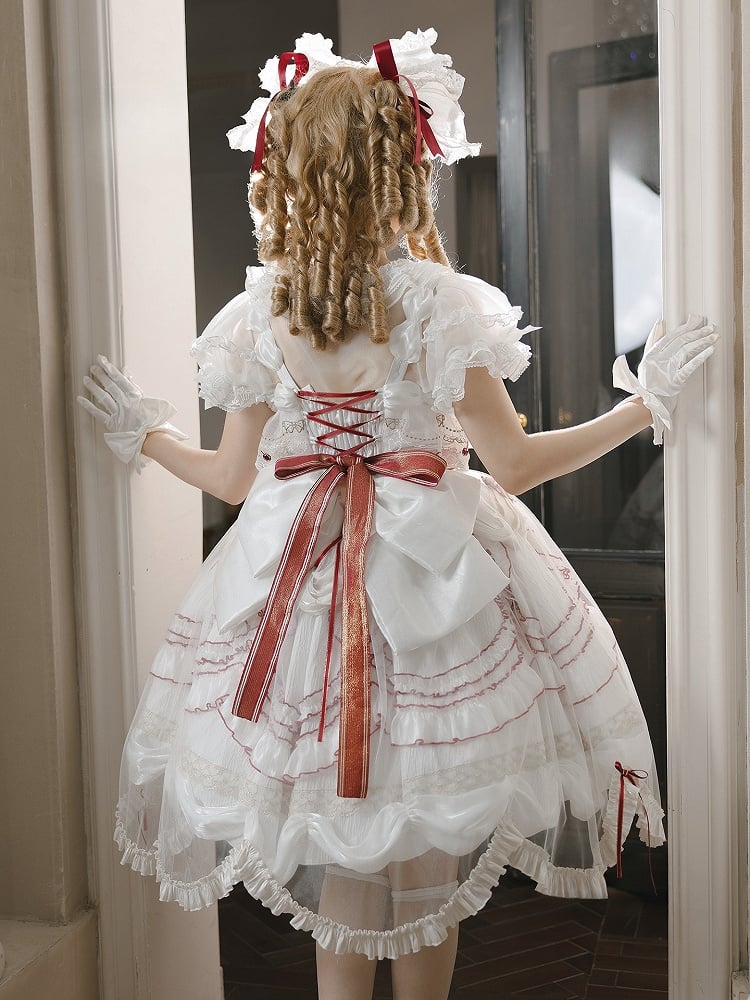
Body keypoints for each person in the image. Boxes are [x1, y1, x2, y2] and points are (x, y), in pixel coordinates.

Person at [77, 28, 717, 1000]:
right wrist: (645, 406)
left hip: (295, 601)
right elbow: (515, 462)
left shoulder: (262, 316)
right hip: (434, 591)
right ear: (397, 165)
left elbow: (232, 483)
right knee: (421, 853)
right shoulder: (438, 305)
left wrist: (145, 439)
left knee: (343, 850)